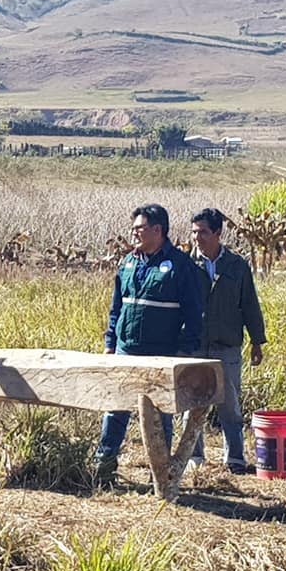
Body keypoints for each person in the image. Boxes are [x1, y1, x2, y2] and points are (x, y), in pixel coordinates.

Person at [94, 204, 204, 485]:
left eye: (140, 228)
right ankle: (103, 468)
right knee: (115, 409)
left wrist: (182, 352)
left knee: (159, 416)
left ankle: (161, 476)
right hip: (125, 350)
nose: (134, 232)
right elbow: (116, 307)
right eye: (134, 227)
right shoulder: (129, 263)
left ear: (158, 230)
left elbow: (194, 314)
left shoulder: (180, 266)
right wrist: (110, 343)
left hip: (160, 354)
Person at [187, 208, 266, 475]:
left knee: (230, 406)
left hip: (227, 345)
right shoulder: (186, 264)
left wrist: (257, 340)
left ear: (218, 233)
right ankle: (194, 457)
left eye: (203, 232)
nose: (197, 237)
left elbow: (249, 305)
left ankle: (235, 459)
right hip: (196, 345)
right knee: (192, 404)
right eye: (195, 231)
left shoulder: (237, 265)